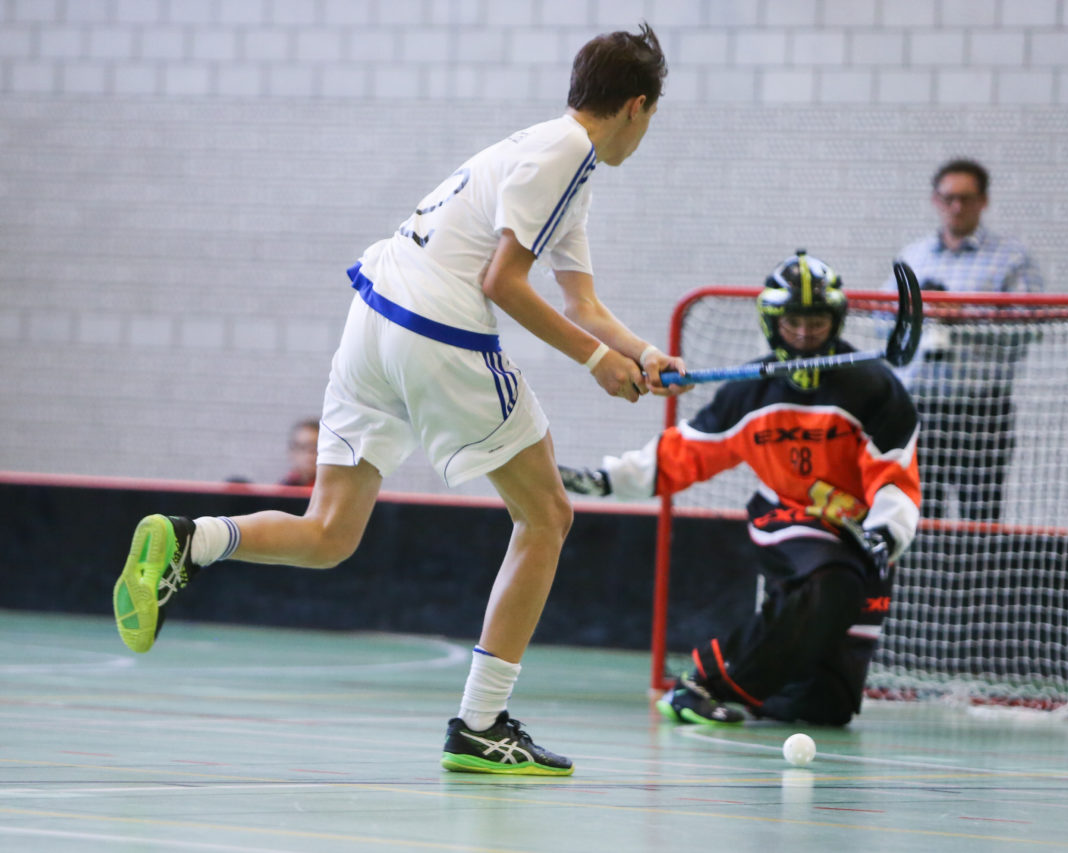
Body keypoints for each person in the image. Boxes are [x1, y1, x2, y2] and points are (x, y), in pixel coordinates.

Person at [112, 23, 683, 777]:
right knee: (547, 515)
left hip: (374, 322)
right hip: (434, 329)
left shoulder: (548, 159)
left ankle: (193, 540)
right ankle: (481, 723)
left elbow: (582, 302)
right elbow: (502, 285)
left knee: (329, 531)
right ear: (637, 107)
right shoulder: (567, 152)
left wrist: (640, 353)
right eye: (651, 121)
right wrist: (596, 362)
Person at [560, 251, 921, 726]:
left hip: (860, 531)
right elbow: (684, 452)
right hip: (786, 517)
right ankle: (702, 687)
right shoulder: (748, 393)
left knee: (821, 708)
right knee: (829, 581)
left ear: (835, 321)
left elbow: (896, 473)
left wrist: (886, 534)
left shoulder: (875, 388)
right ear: (773, 323)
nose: (806, 332)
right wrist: (607, 480)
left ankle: (759, 687)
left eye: (816, 321)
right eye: (794, 321)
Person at [891, 159, 1043, 523]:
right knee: (919, 515)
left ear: (983, 202)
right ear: (935, 200)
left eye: (966, 198)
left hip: (982, 409)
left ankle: (979, 582)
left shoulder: (1011, 258)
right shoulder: (913, 256)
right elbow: (884, 323)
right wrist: (915, 313)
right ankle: (924, 581)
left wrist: (966, 316)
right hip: (920, 406)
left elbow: (1029, 325)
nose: (956, 207)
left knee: (981, 515)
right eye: (948, 198)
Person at [280, 418, 320, 487]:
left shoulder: (335, 489)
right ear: (291, 452)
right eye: (302, 448)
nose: (309, 455)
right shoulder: (283, 488)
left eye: (315, 448)